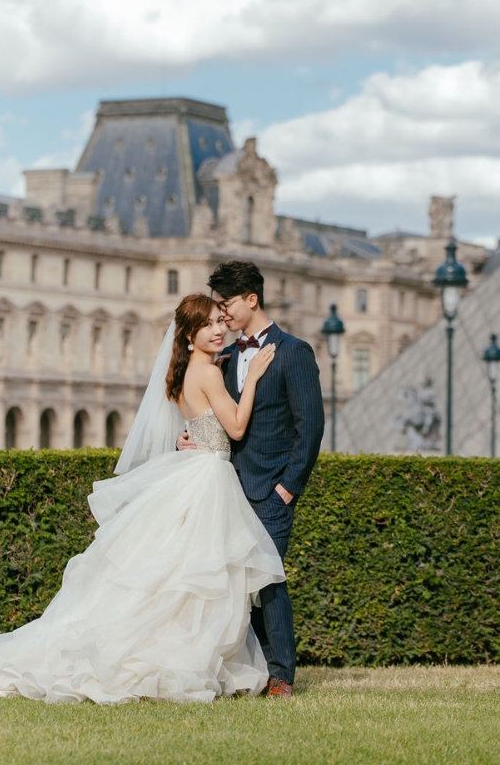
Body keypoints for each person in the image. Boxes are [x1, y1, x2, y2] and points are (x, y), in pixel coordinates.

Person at [0, 294, 285, 704]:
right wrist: (253, 375)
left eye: (221, 321)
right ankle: (186, 657)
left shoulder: (189, 373)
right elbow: (236, 429)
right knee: (194, 580)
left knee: (174, 577)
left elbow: (201, 427)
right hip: (208, 477)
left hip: (196, 471)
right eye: (209, 325)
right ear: (189, 335)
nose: (220, 329)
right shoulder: (210, 374)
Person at [178, 261, 325, 698]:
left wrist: (288, 488)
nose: (221, 315)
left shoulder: (294, 352)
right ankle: (254, 669)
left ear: (251, 300)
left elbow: (311, 428)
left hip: (271, 491)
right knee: (230, 583)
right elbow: (216, 418)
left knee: (266, 579)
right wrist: (194, 439)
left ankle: (281, 675)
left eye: (225, 305)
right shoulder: (223, 359)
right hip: (227, 488)